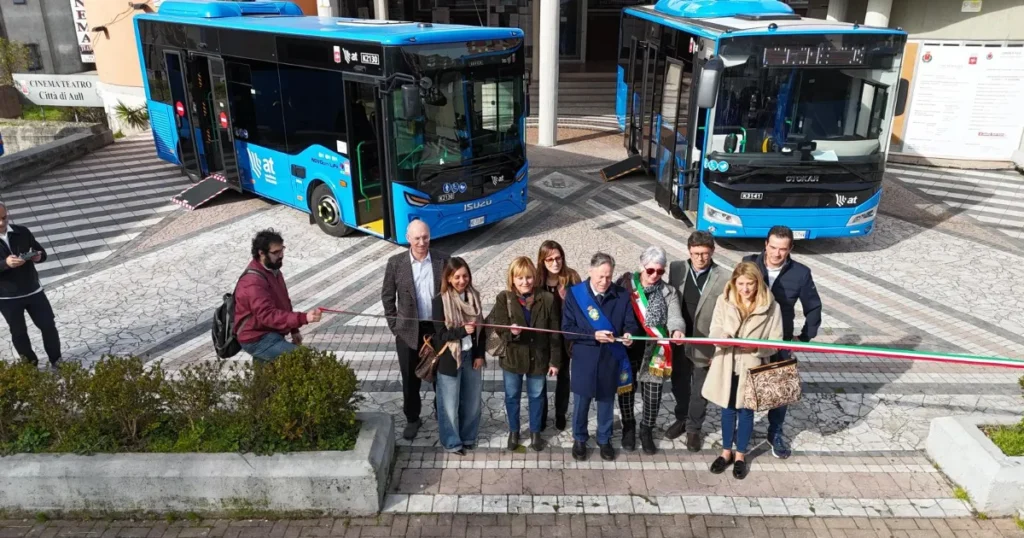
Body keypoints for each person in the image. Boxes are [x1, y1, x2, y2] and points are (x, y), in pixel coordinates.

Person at [743, 225, 821, 459]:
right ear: (765, 244)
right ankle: (743, 431)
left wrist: (806, 336)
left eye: (783, 249)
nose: (777, 253)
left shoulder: (801, 273)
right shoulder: (748, 264)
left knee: (780, 391)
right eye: (773, 247)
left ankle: (774, 432)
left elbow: (813, 306)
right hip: (750, 337)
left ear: (790, 249)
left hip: (781, 339)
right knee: (745, 386)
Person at [702, 262, 783, 480]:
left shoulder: (771, 306)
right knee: (727, 409)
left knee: (746, 412)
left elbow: (776, 341)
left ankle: (740, 455)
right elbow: (714, 330)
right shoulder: (724, 300)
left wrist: (756, 347)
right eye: (741, 284)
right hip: (727, 364)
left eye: (750, 284)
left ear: (758, 283)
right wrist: (723, 338)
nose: (745, 289)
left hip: (752, 367)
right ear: (734, 282)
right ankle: (726, 452)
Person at [562, 252, 638, 462]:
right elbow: (567, 329)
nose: (605, 282)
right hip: (585, 358)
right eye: (600, 277)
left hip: (610, 358)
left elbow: (630, 324)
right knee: (581, 403)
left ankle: (604, 439)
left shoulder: (622, 295)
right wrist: (592, 335)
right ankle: (579, 438)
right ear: (590, 271)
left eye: (608, 276)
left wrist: (630, 335)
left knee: (606, 402)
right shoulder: (575, 294)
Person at [381, 220, 447, 440]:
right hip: (409, 329)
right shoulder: (395, 263)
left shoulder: (442, 260)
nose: (422, 242)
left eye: (425, 237)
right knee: (410, 377)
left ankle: (442, 411)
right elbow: (388, 296)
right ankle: (412, 418)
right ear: (408, 238)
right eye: (417, 238)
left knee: (441, 374)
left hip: (437, 328)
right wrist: (395, 327)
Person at [615, 246, 684, 454]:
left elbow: (674, 316)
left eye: (660, 271)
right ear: (641, 266)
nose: (655, 275)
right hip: (627, 350)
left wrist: (678, 330)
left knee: (653, 396)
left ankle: (646, 430)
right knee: (626, 391)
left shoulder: (668, 291)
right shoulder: (624, 285)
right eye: (650, 270)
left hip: (655, 352)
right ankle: (629, 426)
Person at [488, 257, 562, 451]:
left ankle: (535, 431)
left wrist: (555, 361)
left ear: (535, 277)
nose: (524, 282)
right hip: (513, 358)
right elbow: (500, 329)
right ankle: (514, 430)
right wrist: (511, 333)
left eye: (528, 277)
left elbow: (554, 333)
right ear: (512, 279)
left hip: (538, 358)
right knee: (512, 396)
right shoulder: (504, 298)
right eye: (519, 278)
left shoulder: (546, 298)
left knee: (537, 396)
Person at [666, 231, 730, 451]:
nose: (700, 258)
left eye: (705, 253)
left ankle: (694, 428)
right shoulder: (676, 268)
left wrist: (719, 348)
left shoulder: (723, 276)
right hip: (680, 340)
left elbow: (727, 314)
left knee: (699, 390)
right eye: (696, 253)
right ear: (688, 251)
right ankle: (682, 417)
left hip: (706, 343)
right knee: (679, 383)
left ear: (712, 251)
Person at [234, 229, 322, 361]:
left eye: (282, 250)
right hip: (256, 338)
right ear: (261, 253)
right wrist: (304, 318)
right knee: (302, 358)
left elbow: (284, 302)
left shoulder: (273, 269)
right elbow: (268, 315)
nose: (281, 255)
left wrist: (294, 330)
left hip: (268, 331)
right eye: (276, 252)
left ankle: (262, 381)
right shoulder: (252, 282)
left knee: (265, 376)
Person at [429, 257, 485, 456]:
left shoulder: (474, 297)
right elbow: (440, 335)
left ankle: (468, 437)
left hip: (471, 356)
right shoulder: (439, 301)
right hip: (450, 359)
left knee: (472, 401)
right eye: (457, 277)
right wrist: (461, 331)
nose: (462, 281)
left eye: (465, 276)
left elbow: (482, 330)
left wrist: (480, 355)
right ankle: (452, 442)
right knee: (449, 405)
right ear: (449, 278)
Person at [0, 203, 61, 370]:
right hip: (7, 297)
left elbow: (41, 252)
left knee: (48, 325)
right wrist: (5, 264)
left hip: (34, 290)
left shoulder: (22, 232)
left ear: (8, 214)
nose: (1, 222)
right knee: (19, 333)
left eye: (4, 217)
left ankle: (57, 359)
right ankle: (31, 367)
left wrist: (38, 257)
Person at [536, 240, 582, 431]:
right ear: (542, 261)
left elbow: (582, 307)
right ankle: (542, 413)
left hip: (564, 337)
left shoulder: (571, 277)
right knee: (539, 376)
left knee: (563, 376)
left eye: (559, 258)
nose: (555, 263)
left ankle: (560, 413)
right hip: (542, 336)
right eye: (550, 259)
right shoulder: (537, 280)